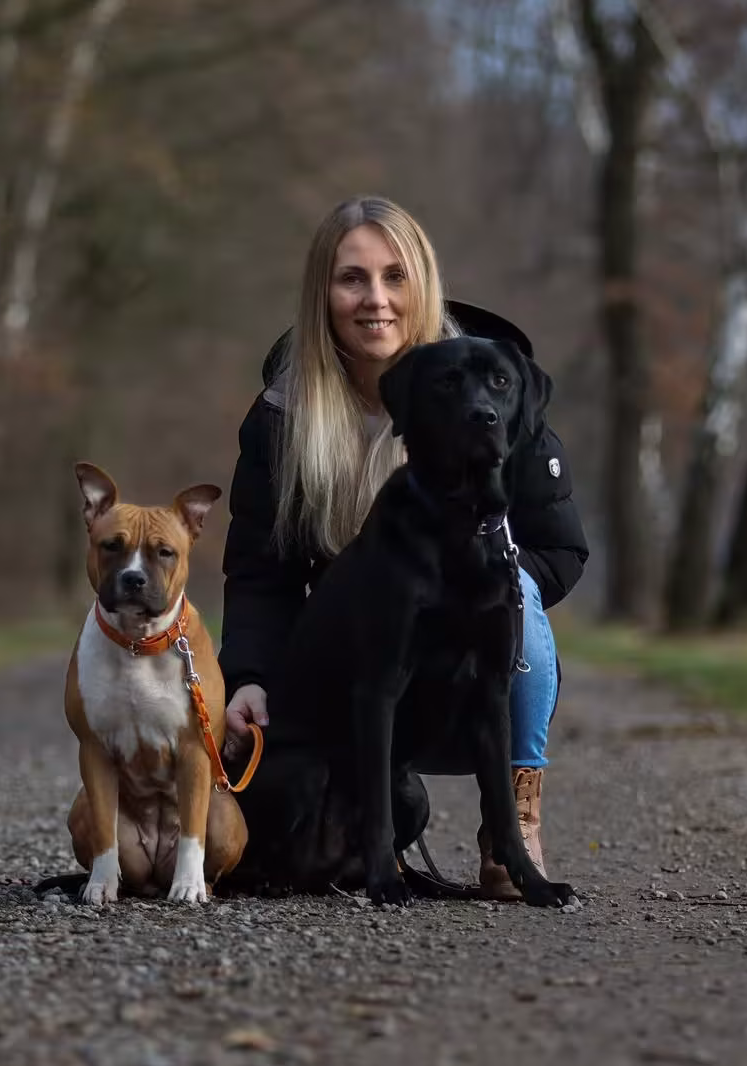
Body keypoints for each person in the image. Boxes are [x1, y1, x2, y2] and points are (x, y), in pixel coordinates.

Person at [217, 195, 588, 898]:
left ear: (424, 282)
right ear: (322, 293)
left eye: (395, 276)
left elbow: (562, 550)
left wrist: (465, 595)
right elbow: (261, 569)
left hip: (468, 670)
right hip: (365, 667)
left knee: (516, 593)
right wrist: (250, 678)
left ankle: (513, 826)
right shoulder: (283, 414)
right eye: (351, 278)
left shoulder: (497, 391)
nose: (376, 300)